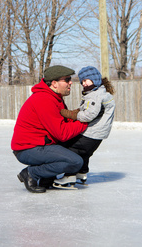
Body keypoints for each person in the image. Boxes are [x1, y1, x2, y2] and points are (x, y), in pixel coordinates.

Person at [11, 65, 88, 193]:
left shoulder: (55, 97)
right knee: (74, 162)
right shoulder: (43, 99)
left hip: (41, 144)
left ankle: (47, 178)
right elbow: (62, 133)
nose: (71, 83)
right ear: (54, 83)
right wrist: (85, 122)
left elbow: (64, 121)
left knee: (77, 147)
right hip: (28, 149)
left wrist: (81, 116)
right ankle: (31, 173)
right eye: (67, 79)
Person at [56, 65, 115, 185]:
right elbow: (90, 109)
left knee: (73, 150)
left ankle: (69, 175)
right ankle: (82, 173)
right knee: (84, 153)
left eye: (86, 80)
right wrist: (78, 110)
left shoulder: (95, 95)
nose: (84, 84)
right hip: (99, 133)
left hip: (92, 132)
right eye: (82, 81)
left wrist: (68, 114)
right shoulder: (100, 93)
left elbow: (88, 115)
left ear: (95, 79)